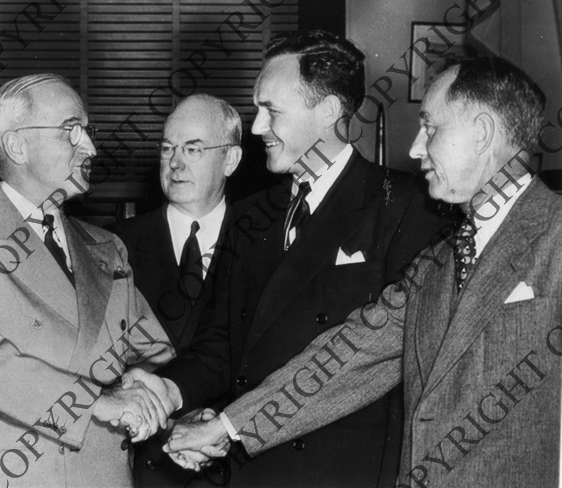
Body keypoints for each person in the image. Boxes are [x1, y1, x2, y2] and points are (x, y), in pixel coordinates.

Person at [166, 56, 562, 487]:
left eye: (430, 128)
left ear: (482, 133)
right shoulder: (440, 258)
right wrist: (226, 427)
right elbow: (347, 358)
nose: (415, 149)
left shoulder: (555, 234)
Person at [165, 30, 453, 487]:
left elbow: (369, 357)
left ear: (329, 111)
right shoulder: (250, 215)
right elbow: (221, 345)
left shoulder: (407, 208)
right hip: (248, 470)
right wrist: (167, 389)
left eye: (272, 111)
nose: (257, 127)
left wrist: (227, 426)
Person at [0, 74, 179, 488]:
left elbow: (152, 347)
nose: (90, 147)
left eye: (88, 131)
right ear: (17, 145)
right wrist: (100, 402)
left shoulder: (107, 247)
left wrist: (142, 386)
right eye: (71, 130)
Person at [110, 94, 242, 486]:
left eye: (193, 149)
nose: (175, 163)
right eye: (168, 148)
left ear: (231, 159)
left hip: (234, 463)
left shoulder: (264, 240)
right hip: (142, 465)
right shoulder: (113, 245)